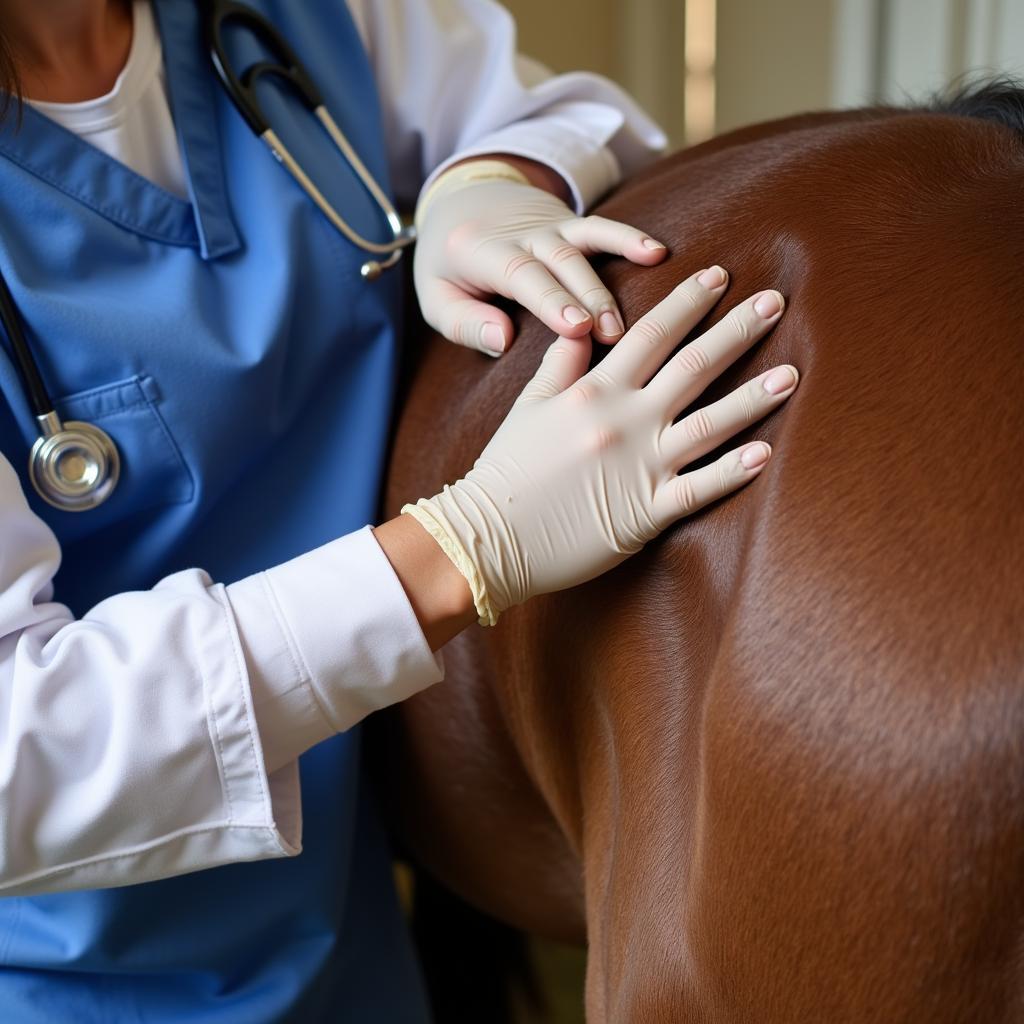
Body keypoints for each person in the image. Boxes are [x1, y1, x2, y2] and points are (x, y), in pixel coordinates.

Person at [0, 0, 799, 1020]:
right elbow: (16, 755)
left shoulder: (299, 18)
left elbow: (561, 110)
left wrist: (491, 183)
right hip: (87, 977)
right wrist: (466, 547)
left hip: (351, 920)